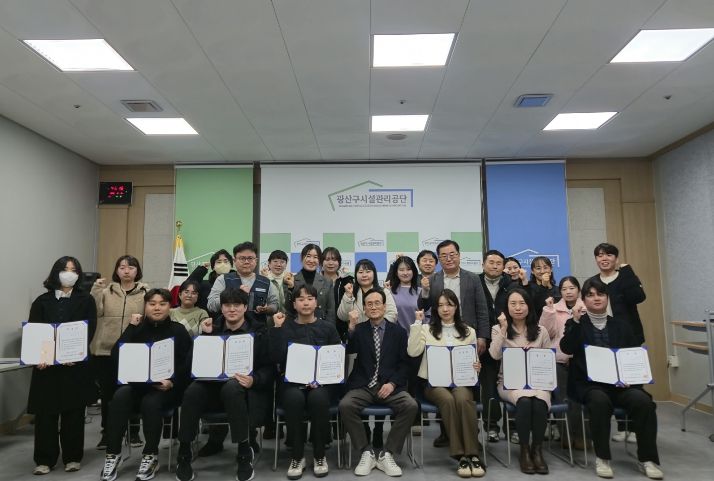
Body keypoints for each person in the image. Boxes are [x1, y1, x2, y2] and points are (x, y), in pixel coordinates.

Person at [560, 278, 663, 480]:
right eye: (590, 295)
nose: (596, 298)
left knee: (643, 401)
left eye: (601, 294)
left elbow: (633, 356)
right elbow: (567, 348)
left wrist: (631, 379)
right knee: (599, 401)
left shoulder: (622, 326)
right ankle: (603, 458)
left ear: (607, 298)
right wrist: (577, 322)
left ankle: (648, 459)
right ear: (583, 300)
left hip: (621, 385)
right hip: (589, 386)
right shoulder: (577, 323)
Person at [175, 288, 274, 481]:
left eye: (237, 305)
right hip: (211, 387)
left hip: (243, 391)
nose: (232, 309)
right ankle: (184, 452)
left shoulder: (259, 332)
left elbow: (268, 368)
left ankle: (244, 452)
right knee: (193, 391)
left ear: (245, 307)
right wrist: (204, 336)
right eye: (227, 305)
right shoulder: (211, 328)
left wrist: (254, 379)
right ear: (221, 308)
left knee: (232, 387)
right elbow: (190, 366)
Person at [99, 289, 192, 481]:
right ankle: (113, 453)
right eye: (152, 304)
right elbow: (117, 355)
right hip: (137, 386)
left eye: (162, 304)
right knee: (120, 396)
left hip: (165, 388)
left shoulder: (178, 330)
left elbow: (188, 363)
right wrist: (131, 327)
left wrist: (172, 382)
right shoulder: (137, 329)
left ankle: (150, 455)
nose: (157, 308)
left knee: (151, 402)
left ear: (170, 306)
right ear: (145, 306)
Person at [28, 256, 97, 475]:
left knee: (73, 413)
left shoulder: (86, 300)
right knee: (45, 414)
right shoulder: (42, 301)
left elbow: (89, 330)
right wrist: (41, 357)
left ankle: (72, 457)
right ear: (56, 272)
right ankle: (44, 459)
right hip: (46, 366)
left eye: (74, 270)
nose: (69, 273)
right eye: (65, 269)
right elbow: (35, 331)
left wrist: (75, 353)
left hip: (73, 365)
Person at [339, 288, 418, 477]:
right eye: (369, 304)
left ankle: (387, 453)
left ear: (384, 306)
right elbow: (349, 351)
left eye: (377, 303)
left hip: (390, 386)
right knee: (345, 405)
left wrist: (392, 384)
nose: (373, 307)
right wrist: (351, 327)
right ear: (364, 309)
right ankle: (365, 451)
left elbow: (404, 364)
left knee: (411, 405)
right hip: (364, 385)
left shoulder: (398, 332)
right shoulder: (359, 330)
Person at [407, 289, 485, 478]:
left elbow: (472, 361)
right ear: (435, 309)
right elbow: (412, 352)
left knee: (463, 399)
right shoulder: (427, 329)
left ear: (456, 307)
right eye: (440, 305)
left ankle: (473, 454)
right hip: (434, 384)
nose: (445, 309)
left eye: (449, 304)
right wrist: (417, 323)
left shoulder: (469, 331)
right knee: (447, 400)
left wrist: (477, 366)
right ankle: (460, 455)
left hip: (461, 382)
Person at [270, 285, 342, 479]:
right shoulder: (284, 326)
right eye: (301, 299)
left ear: (316, 302)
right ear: (294, 304)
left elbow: (336, 359)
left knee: (318, 398)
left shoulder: (328, 328)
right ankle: (297, 456)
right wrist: (277, 329)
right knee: (294, 399)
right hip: (292, 383)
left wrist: (321, 380)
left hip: (322, 384)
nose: (306, 303)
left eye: (310, 298)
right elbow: (276, 358)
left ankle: (319, 455)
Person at [489, 288, 552, 475]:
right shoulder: (498, 329)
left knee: (539, 402)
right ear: (506, 307)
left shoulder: (541, 331)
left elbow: (548, 359)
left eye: (522, 303)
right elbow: (494, 355)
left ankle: (537, 450)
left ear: (529, 306)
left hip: (538, 382)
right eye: (513, 304)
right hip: (510, 383)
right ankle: (524, 450)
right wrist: (503, 329)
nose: (518, 308)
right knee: (524, 401)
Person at [589, 242, 647, 443]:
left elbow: (638, 297)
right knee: (612, 383)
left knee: (634, 383)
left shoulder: (626, 277)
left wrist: (627, 270)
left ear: (616, 258)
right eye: (600, 255)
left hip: (629, 338)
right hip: (604, 340)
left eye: (608, 255)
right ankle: (623, 426)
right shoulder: (593, 282)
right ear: (596, 259)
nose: (604, 258)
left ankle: (636, 428)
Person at [90, 255, 149, 449]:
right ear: (116, 270)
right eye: (122, 267)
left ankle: (133, 432)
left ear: (137, 271)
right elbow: (96, 312)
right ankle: (107, 433)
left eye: (131, 267)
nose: (126, 271)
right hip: (106, 351)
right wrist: (95, 290)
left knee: (132, 392)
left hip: (134, 351)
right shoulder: (106, 291)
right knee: (108, 395)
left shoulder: (145, 292)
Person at [418, 240, 490, 356]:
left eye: (452, 255)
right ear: (439, 259)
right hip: (440, 334)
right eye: (444, 256)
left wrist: (482, 336)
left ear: (459, 255)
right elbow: (422, 307)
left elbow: (482, 309)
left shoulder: (473, 278)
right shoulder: (432, 279)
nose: (448, 259)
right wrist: (425, 291)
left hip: (467, 333)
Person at [539, 276, 586, 448]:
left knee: (581, 400)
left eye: (572, 288)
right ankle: (566, 437)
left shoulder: (586, 308)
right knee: (562, 399)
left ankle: (582, 437)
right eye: (564, 289)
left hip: (581, 362)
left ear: (578, 290)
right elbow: (545, 332)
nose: (568, 292)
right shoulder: (554, 309)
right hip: (559, 361)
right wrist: (549, 311)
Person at [478, 250, 511, 443]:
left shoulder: (511, 284)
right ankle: (491, 426)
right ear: (483, 264)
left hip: (509, 340)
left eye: (499, 263)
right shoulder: (475, 282)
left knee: (512, 383)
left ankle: (512, 427)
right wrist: (481, 336)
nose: (495, 266)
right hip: (484, 340)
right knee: (488, 385)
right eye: (491, 262)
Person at [207, 242, 279, 326]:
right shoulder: (223, 279)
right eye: (242, 258)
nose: (246, 262)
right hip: (228, 329)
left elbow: (275, 305)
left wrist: (267, 309)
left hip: (259, 329)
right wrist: (235, 294)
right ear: (234, 260)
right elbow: (211, 306)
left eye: (250, 258)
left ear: (256, 261)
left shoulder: (266, 282)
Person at [337, 259, 397, 325]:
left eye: (368, 272)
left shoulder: (384, 292)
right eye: (360, 272)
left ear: (374, 274)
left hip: (380, 330)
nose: (364, 275)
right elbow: (342, 317)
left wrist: (376, 326)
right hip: (356, 331)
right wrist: (348, 296)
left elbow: (392, 315)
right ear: (356, 275)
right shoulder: (350, 292)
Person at [286, 244, 335, 324]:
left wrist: (328, 329)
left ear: (319, 261)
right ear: (302, 258)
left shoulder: (327, 282)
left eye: (315, 257)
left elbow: (331, 311)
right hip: (297, 326)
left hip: (321, 326)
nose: (311, 260)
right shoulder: (291, 280)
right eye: (308, 256)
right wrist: (290, 288)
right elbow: (287, 309)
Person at [321, 247, 354, 341]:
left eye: (334, 259)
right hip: (319, 328)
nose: (330, 263)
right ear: (321, 262)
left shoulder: (347, 281)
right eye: (327, 259)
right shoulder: (315, 280)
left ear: (339, 262)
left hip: (342, 329)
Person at [187, 249, 234, 315]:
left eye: (226, 262)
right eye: (219, 262)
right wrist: (203, 269)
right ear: (213, 267)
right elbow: (187, 286)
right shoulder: (204, 285)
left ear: (231, 265)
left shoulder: (237, 282)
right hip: (207, 319)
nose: (223, 264)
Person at [259, 249, 294, 326]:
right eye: (275, 261)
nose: (278, 265)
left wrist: (291, 287)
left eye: (282, 262)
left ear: (286, 264)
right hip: (267, 322)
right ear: (269, 263)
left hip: (288, 321)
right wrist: (265, 280)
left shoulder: (291, 279)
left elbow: (295, 302)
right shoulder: (262, 280)